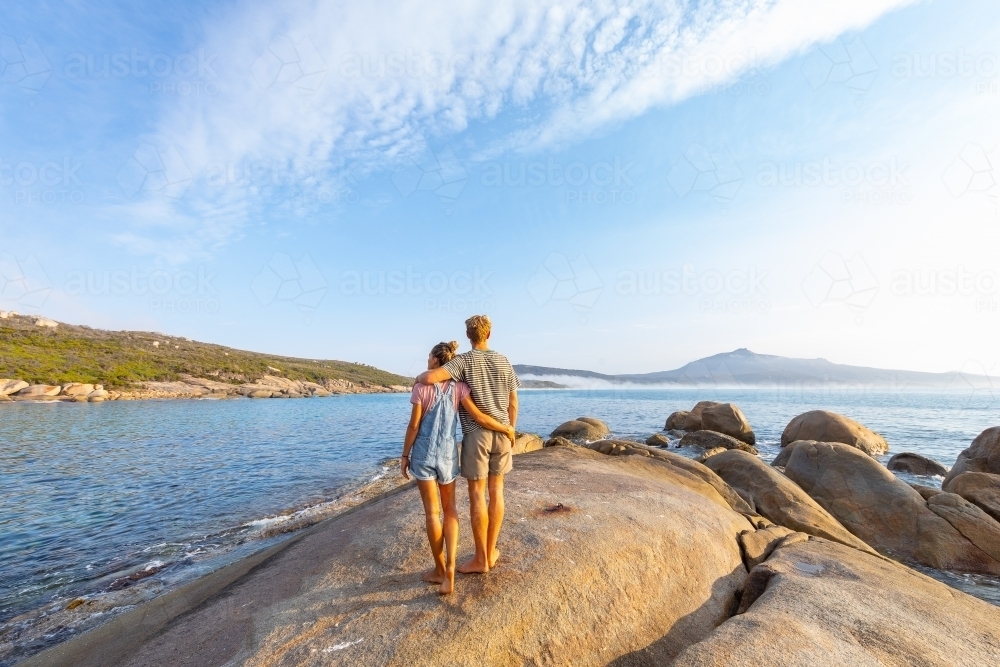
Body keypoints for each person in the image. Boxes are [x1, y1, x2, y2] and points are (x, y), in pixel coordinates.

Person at [402, 340, 514, 595]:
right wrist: (506, 427)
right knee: (451, 510)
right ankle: (451, 569)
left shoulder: (421, 388)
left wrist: (404, 455)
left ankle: (439, 569)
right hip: (448, 456)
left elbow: (413, 426)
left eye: (429, 356)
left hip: (423, 454)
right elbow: (477, 416)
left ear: (434, 360)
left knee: (433, 514)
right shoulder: (460, 388)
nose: (427, 359)